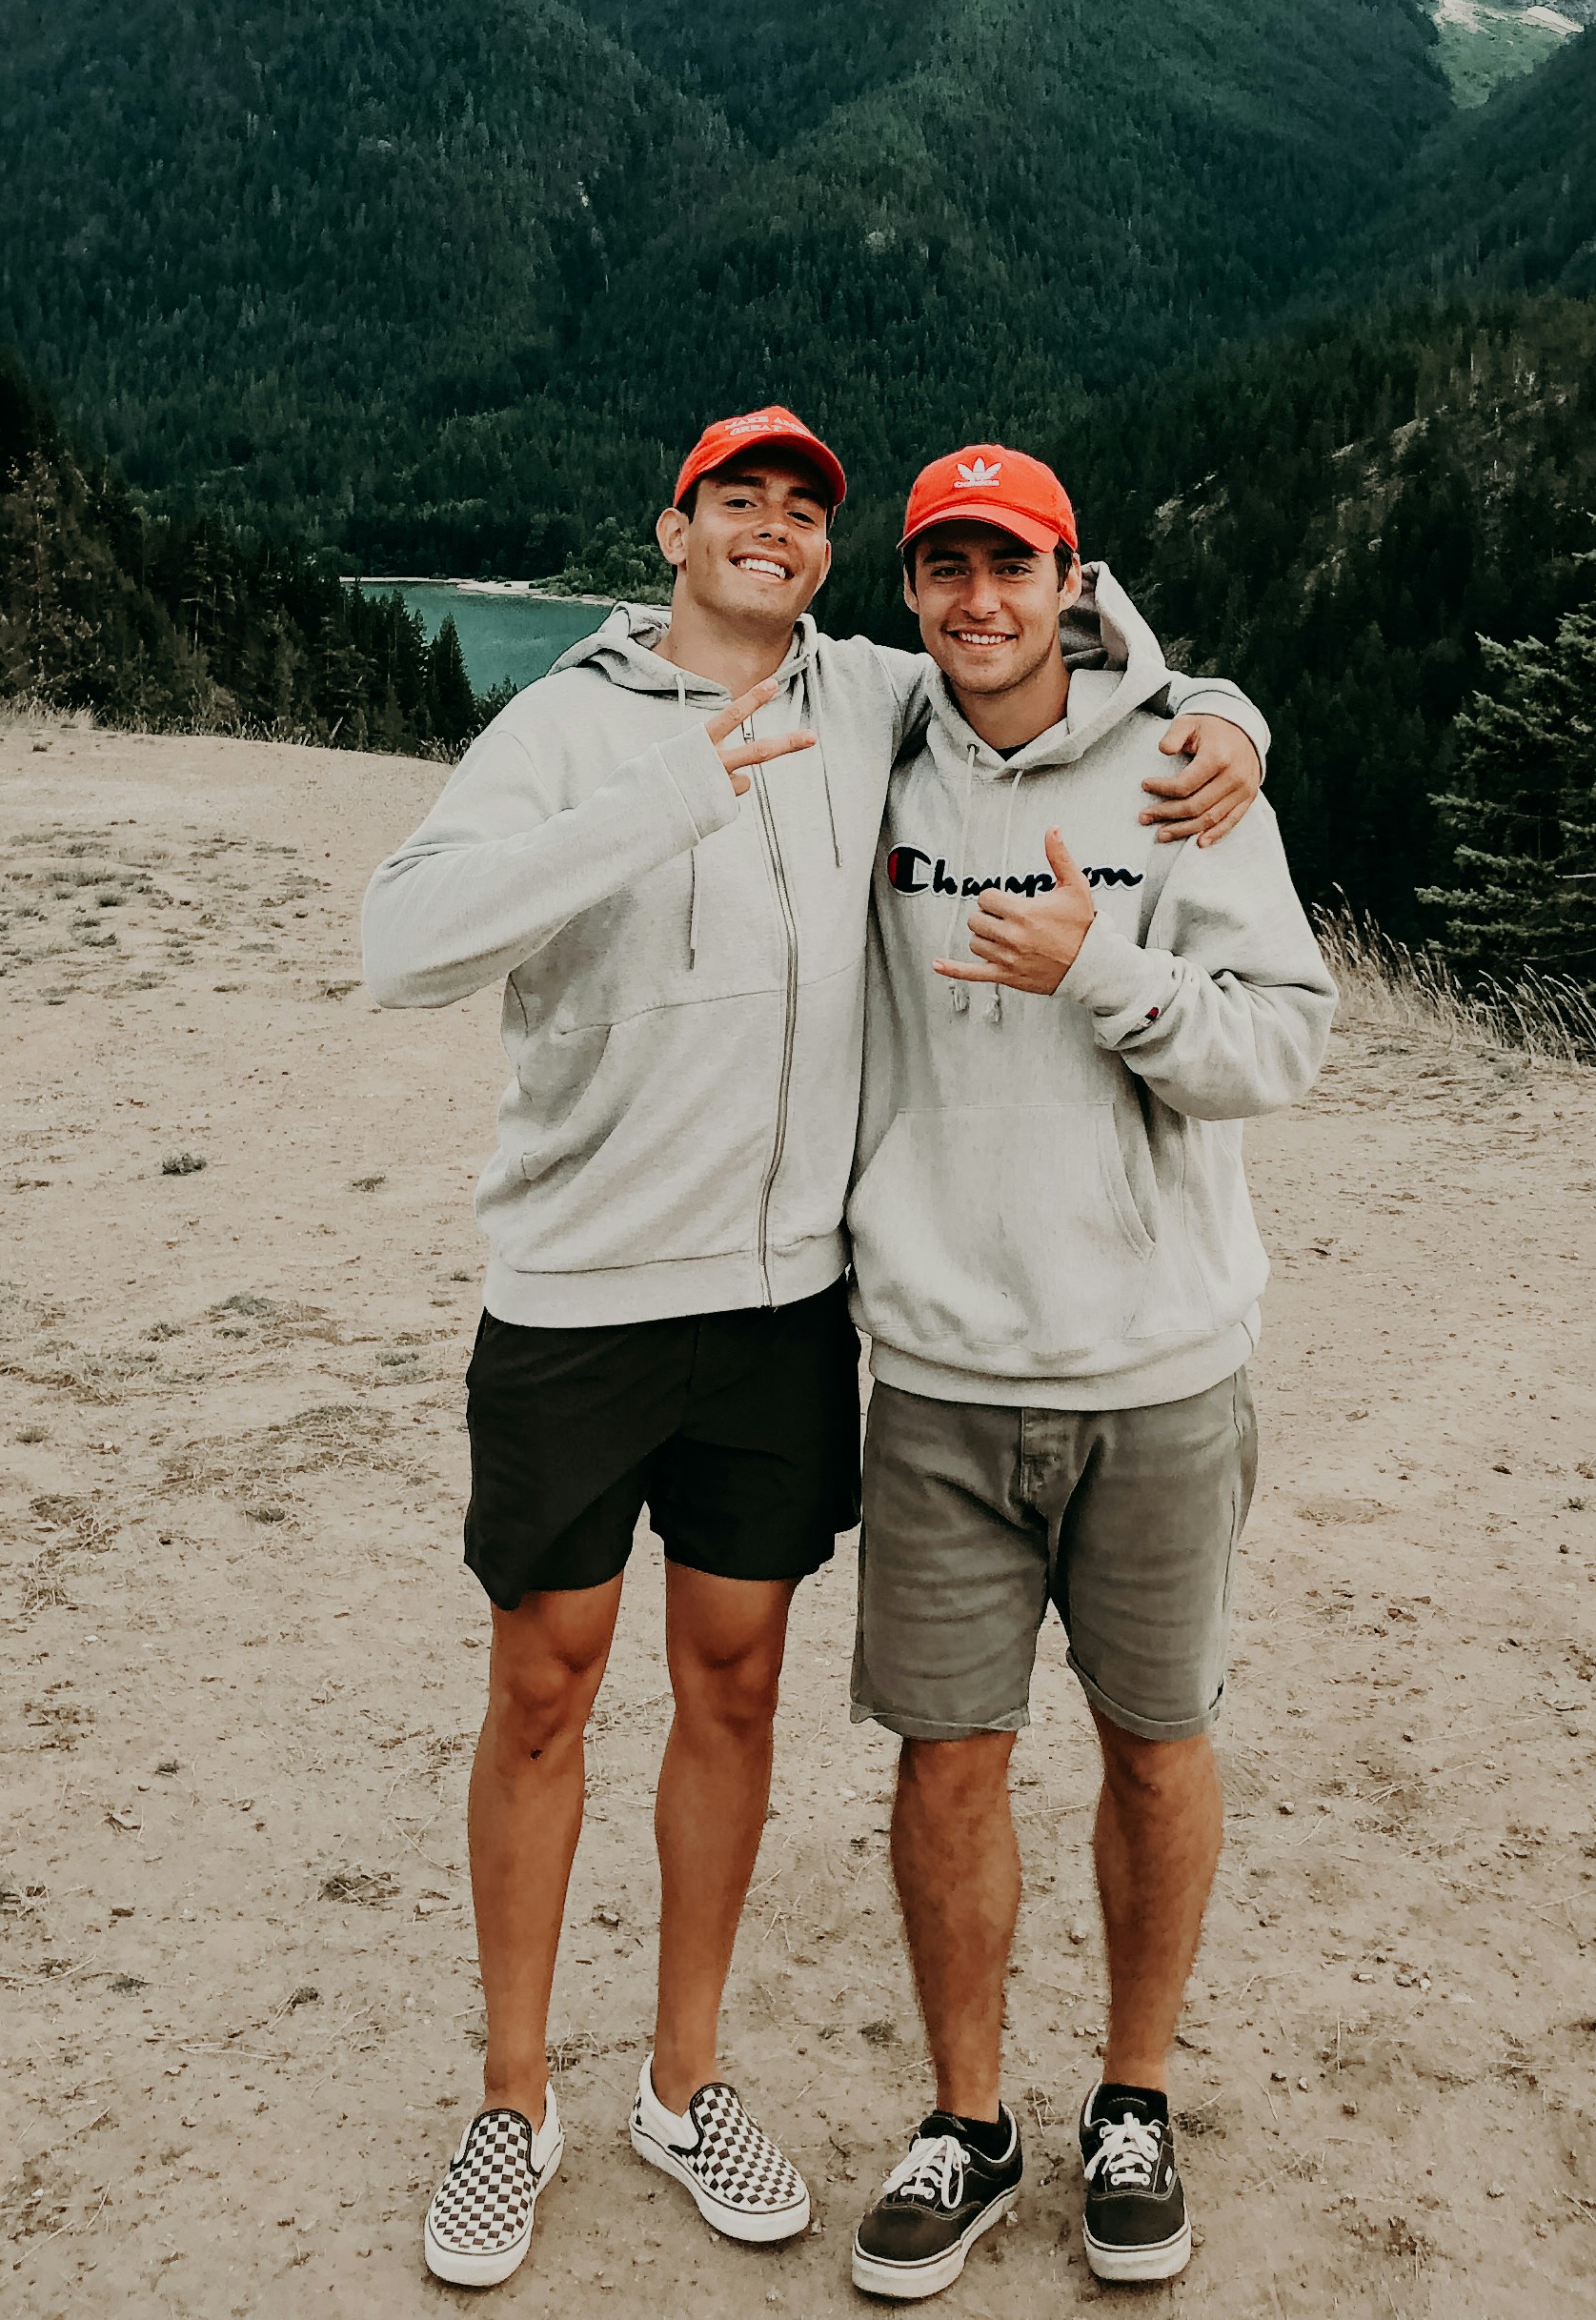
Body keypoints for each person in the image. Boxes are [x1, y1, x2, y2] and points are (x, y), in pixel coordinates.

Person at [359, 407, 1269, 2290]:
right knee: (544, 1684)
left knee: (739, 1691)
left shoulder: (876, 697)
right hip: (581, 1291)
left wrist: (1235, 720)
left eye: (806, 511)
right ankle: (514, 2102)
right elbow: (406, 944)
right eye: (738, 502)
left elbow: (1077, 654)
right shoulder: (570, 720)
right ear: (673, 523)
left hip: (783, 1306)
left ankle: (683, 2083)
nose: (773, 529)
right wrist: (674, 790)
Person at [842, 444, 1333, 2300]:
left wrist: (1105, 968)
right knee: (946, 1761)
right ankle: (968, 2126)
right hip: (948, 1366)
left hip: (1160, 1364)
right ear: (915, 592)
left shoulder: (1187, 773)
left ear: (1075, 579)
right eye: (943, 566)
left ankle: (1133, 2102)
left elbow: (1281, 1045)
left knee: (1155, 1741)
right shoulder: (873, 754)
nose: (978, 599)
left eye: (1012, 565)